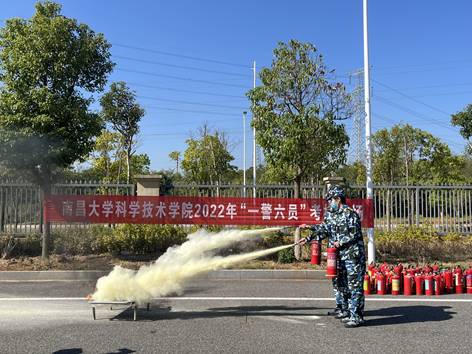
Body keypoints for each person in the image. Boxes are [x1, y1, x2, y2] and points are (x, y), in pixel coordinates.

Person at [299, 185, 366, 328]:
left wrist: (340, 242)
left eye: (330, 200)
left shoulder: (350, 214)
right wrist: (308, 238)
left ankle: (357, 316)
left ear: (338, 199)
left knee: (354, 286)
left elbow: (355, 234)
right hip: (339, 256)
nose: (329, 203)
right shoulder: (331, 214)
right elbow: (324, 229)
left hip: (353, 256)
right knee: (341, 284)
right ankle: (345, 310)